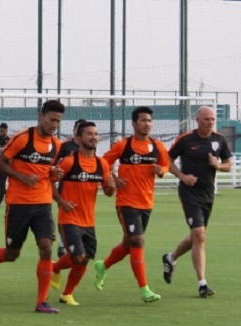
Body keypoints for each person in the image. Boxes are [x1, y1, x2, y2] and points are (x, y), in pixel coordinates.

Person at [0, 100, 64, 314]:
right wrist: (22, 176)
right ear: (41, 116)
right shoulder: (23, 138)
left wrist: (54, 175)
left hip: (42, 204)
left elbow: (49, 172)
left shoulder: (57, 145)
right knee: (12, 253)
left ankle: (41, 302)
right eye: (51, 119)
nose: (54, 124)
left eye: (58, 121)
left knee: (46, 247)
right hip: (18, 204)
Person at [93, 106, 169, 303]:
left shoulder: (157, 146)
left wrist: (161, 170)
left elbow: (165, 165)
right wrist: (113, 178)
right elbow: (103, 164)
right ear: (134, 124)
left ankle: (103, 265)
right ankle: (145, 290)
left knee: (129, 243)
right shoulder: (123, 145)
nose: (147, 124)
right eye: (143, 120)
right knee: (137, 241)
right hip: (126, 202)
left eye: (149, 121)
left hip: (147, 202)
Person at [162, 106, 232, 298]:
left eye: (212, 119)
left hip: (208, 194)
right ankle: (202, 284)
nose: (210, 123)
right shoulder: (185, 140)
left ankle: (171, 257)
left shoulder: (219, 139)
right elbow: (167, 160)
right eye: (206, 119)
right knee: (200, 235)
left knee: (197, 235)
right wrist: (182, 176)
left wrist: (218, 165)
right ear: (197, 120)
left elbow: (228, 165)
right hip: (189, 193)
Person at [50, 121, 115, 306]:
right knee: (77, 257)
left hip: (89, 221)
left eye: (95, 134)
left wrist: (112, 186)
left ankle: (67, 293)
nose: (94, 137)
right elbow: (49, 181)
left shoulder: (102, 164)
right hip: (69, 218)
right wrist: (61, 201)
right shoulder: (70, 161)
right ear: (79, 139)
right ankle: (54, 268)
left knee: (85, 259)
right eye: (89, 134)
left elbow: (109, 192)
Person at [54, 119, 86, 258]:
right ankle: (62, 244)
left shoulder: (88, 147)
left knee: (82, 216)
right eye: (77, 128)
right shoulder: (66, 146)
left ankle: (78, 242)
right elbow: (53, 163)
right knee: (65, 215)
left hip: (83, 188)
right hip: (66, 187)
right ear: (74, 130)